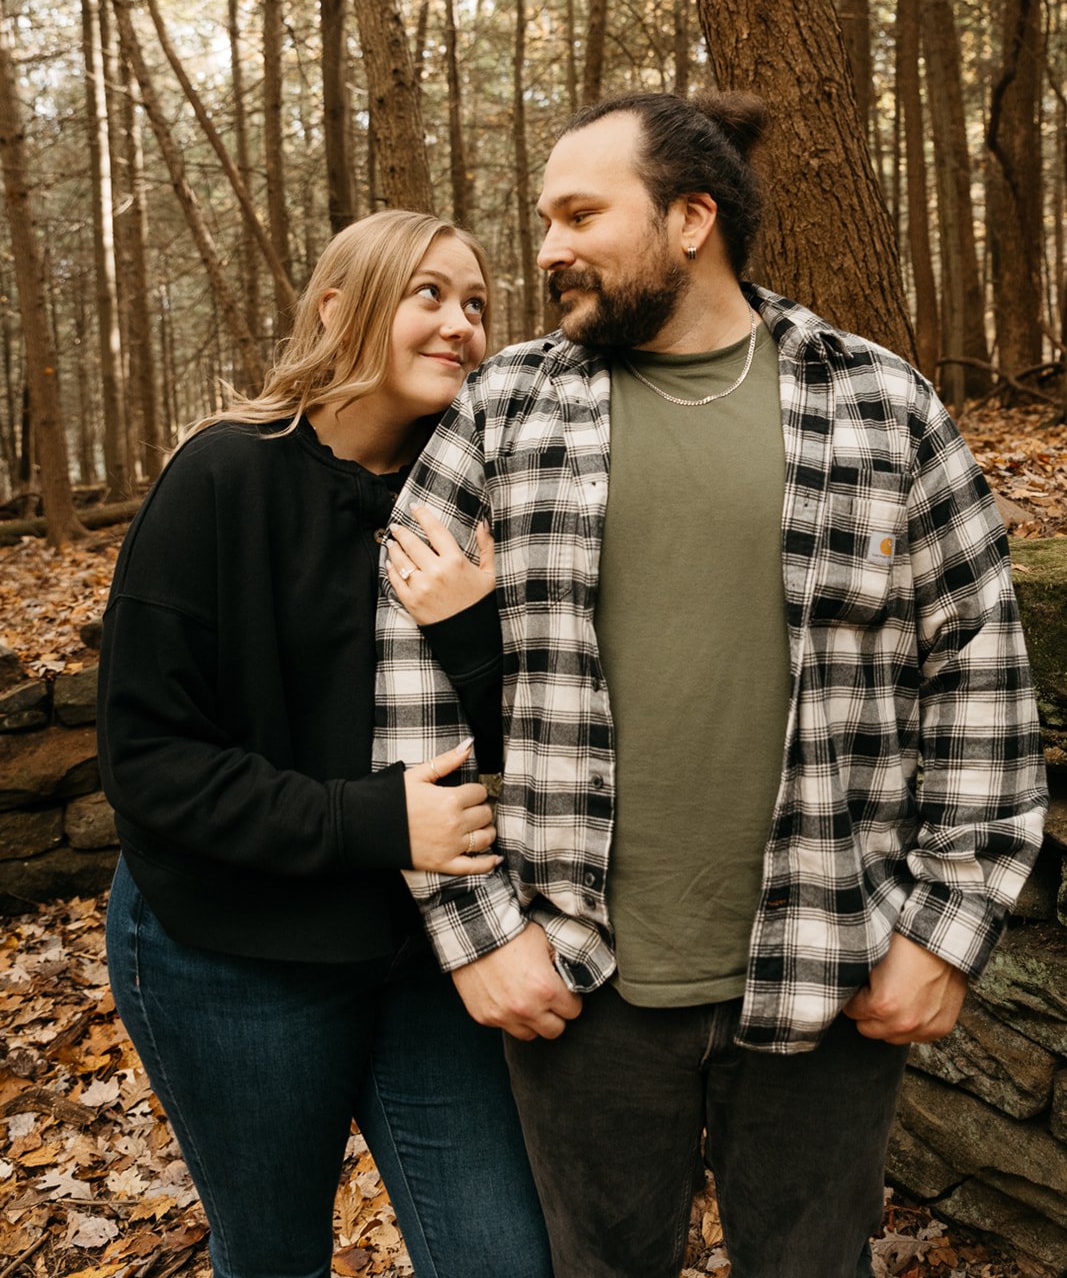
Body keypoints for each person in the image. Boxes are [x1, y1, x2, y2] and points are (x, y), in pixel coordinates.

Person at [374, 96, 1049, 1278]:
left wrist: (944, 929)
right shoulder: (505, 407)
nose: (544, 250)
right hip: (578, 979)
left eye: (580, 213)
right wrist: (478, 931)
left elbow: (975, 674)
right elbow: (408, 682)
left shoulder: (878, 406)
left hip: (827, 962)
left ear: (692, 217)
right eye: (543, 220)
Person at [98, 210, 553, 1278]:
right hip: (231, 955)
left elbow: (540, 736)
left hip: (419, 954)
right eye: (428, 294)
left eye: (477, 303)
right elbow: (149, 759)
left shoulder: (473, 498)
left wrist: (472, 630)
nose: (461, 324)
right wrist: (375, 816)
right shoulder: (223, 477)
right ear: (340, 311)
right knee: (275, 1258)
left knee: (504, 1260)